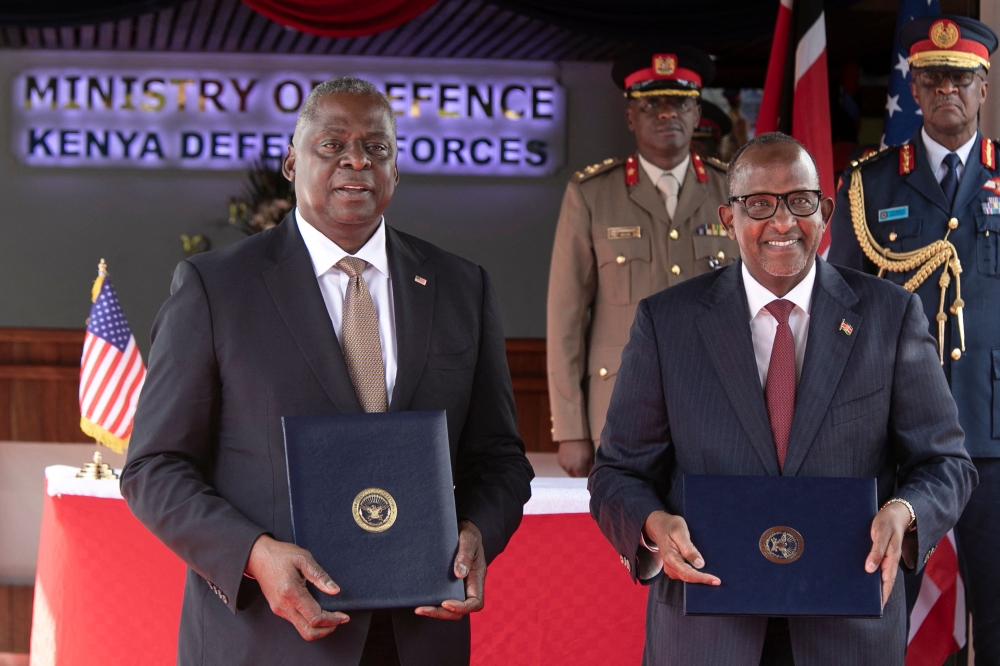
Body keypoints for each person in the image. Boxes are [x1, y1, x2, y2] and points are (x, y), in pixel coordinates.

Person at [120, 77, 534, 666]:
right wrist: (254, 555)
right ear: (292, 161)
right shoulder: (216, 288)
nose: (357, 160)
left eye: (377, 147)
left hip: (418, 636)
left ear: (397, 171)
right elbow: (153, 467)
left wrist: (476, 532)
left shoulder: (462, 287)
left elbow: (499, 458)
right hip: (267, 638)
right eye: (332, 144)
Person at [590, 132, 976, 665]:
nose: (782, 222)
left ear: (825, 211)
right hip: (707, 636)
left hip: (847, 633)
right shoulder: (667, 322)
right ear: (728, 218)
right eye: (759, 204)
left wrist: (905, 513)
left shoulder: (891, 316)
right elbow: (616, 473)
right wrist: (652, 526)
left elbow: (946, 464)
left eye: (799, 201)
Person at [827, 16, 1000, 663]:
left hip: (993, 434)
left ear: (983, 86)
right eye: (932, 78)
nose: (946, 89)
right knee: (885, 614)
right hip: (898, 437)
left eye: (960, 77)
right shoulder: (870, 185)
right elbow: (837, 315)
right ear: (915, 89)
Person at [547, 46, 739, 478]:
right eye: (651, 104)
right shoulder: (591, 193)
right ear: (630, 117)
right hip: (618, 406)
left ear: (696, 114)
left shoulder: (733, 192)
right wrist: (570, 428)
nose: (666, 114)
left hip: (718, 405)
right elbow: (566, 318)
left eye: (680, 103)